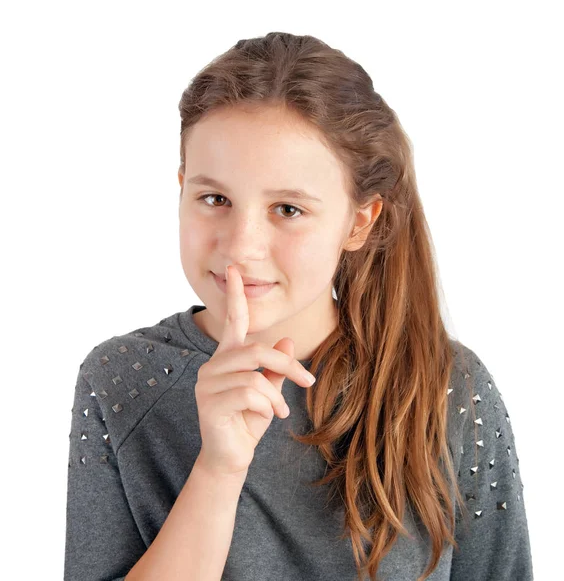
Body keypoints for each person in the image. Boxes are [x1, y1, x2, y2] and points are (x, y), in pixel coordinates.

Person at [64, 32, 534, 581]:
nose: (240, 246)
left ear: (359, 221)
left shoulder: (447, 388)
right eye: (214, 199)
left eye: (287, 209)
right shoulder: (122, 381)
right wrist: (218, 469)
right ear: (181, 187)